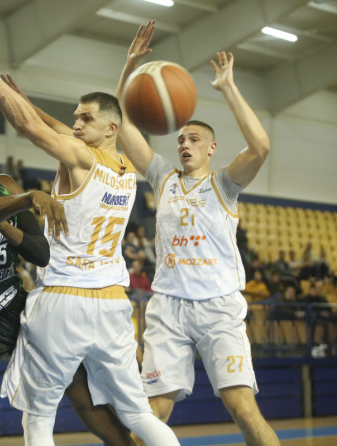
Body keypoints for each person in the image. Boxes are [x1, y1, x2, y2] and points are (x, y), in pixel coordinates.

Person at [0, 20, 178, 446]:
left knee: (38, 417)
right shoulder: (126, 167)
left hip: (65, 300)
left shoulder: (81, 157)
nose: (75, 124)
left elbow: (28, 127)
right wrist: (126, 68)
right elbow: (67, 123)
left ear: (109, 129)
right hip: (113, 305)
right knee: (139, 414)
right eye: (75, 117)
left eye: (84, 118)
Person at [115, 20, 279, 445]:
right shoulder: (163, 177)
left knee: (243, 408)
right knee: (152, 414)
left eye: (193, 139)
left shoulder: (225, 183)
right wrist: (129, 70)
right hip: (168, 307)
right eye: (180, 139)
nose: (184, 145)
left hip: (218, 306)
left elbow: (261, 146)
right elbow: (123, 127)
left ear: (211, 148)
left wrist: (228, 88)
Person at [0, 120, 130, 446]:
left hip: (19, 310)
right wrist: (26, 199)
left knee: (82, 388)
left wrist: (7, 222)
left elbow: (40, 253)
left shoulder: (5, 185)